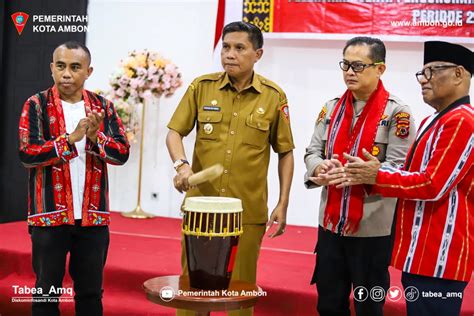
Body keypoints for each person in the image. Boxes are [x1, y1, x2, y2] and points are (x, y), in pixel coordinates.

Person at [328, 41, 473, 316]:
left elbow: (432, 184)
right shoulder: (436, 119)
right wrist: (372, 171)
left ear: (459, 74)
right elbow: (412, 175)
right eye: (422, 73)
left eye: (433, 71)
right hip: (421, 253)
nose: (423, 80)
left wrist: (376, 173)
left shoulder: (462, 121)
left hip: (440, 253)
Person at [166, 21, 294, 316]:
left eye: (239, 48)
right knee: (193, 294)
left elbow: (285, 151)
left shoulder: (273, 97)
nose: (230, 55)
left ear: (258, 54)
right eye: (226, 47)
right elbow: (174, 132)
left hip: (246, 214)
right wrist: (181, 165)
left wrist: (283, 203)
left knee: (239, 296)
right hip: (200, 211)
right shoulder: (202, 87)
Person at [304, 36, 416, 316]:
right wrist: (319, 168)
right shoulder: (331, 108)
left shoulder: (397, 113)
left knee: (368, 306)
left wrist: (369, 174)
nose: (349, 72)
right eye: (345, 65)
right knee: (329, 302)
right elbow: (312, 152)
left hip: (372, 229)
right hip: (331, 224)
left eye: (358, 66)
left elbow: (400, 168)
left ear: (380, 69)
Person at [18, 41, 130, 316]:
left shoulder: (103, 107)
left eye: (75, 67)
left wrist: (95, 137)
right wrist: (70, 140)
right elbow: (27, 153)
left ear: (88, 72)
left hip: (93, 220)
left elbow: (122, 154)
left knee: (91, 293)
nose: (66, 73)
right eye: (61, 66)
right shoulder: (36, 105)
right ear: (51, 69)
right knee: (46, 292)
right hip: (49, 218)